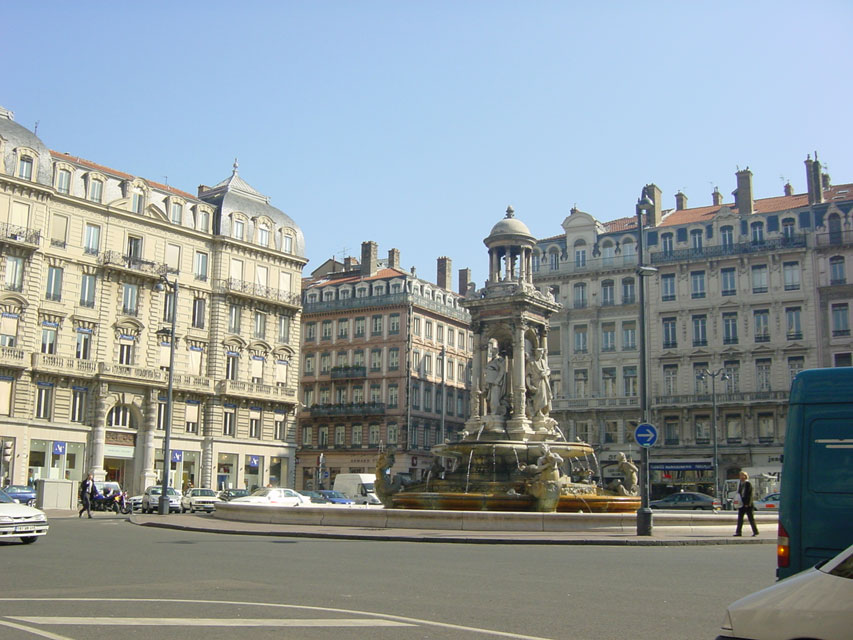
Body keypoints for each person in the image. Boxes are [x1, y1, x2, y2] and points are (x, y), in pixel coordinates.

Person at [734, 471, 759, 537]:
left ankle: (755, 531)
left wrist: (747, 503)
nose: (741, 477)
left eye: (742, 475)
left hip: (748, 504)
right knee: (740, 518)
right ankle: (738, 532)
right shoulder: (740, 484)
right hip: (741, 503)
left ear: (745, 476)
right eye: (740, 475)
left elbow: (750, 494)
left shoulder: (748, 484)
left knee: (751, 518)